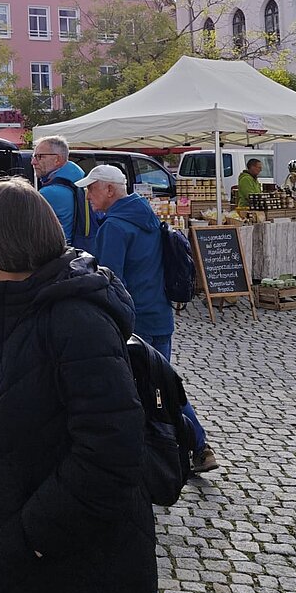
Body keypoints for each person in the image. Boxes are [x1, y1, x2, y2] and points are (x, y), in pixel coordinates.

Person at [0, 179, 156, 593]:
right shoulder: (20, 300)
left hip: (72, 561)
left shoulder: (74, 319)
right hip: (25, 544)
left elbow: (112, 450)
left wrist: (34, 536)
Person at [78, 164, 219, 477]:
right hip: (159, 315)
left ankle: (158, 455)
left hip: (133, 322)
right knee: (164, 385)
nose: (87, 195)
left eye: (91, 188)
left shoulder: (115, 226)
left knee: (139, 391)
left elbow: (109, 282)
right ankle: (198, 447)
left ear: (109, 190)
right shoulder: (148, 217)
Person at [32, 135, 85, 242]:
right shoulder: (78, 176)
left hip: (58, 249)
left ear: (57, 159)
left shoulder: (49, 193)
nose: (33, 162)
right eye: (33, 156)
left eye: (40, 157)